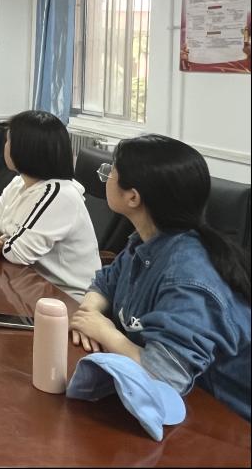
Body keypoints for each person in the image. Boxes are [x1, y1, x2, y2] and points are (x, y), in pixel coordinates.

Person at [69, 135, 250, 421]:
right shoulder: (149, 242)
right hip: (175, 403)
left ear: (133, 197)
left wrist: (104, 331)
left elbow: (164, 374)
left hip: (223, 421)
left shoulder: (189, 275)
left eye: (111, 171)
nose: (106, 176)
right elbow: (107, 281)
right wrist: (89, 312)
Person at [0, 110, 100, 300]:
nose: (5, 146)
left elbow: (16, 253)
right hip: (27, 283)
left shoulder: (60, 195)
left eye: (8, 141)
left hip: (64, 298)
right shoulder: (19, 182)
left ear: (24, 150)